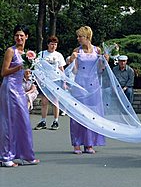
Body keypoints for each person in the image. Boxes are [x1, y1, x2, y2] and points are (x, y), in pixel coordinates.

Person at [0, 24, 40, 167]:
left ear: (27, 37)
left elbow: (23, 73)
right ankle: (6, 157)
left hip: (19, 88)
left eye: (22, 35)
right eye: (17, 35)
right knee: (8, 122)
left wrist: (26, 73)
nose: (19, 38)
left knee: (23, 120)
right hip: (9, 88)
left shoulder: (28, 53)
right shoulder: (11, 51)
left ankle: (26, 154)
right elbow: (3, 72)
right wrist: (19, 67)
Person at [67, 26, 106, 154]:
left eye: (80, 36)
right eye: (78, 36)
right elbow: (74, 70)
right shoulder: (77, 51)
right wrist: (72, 60)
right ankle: (77, 143)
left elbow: (100, 69)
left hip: (93, 85)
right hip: (80, 84)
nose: (78, 39)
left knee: (92, 114)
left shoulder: (97, 50)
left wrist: (104, 60)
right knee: (78, 114)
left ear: (87, 37)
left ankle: (89, 143)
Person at [34, 36, 66, 130]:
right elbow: (37, 66)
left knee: (55, 101)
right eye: (52, 44)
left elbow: (61, 69)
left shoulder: (58, 55)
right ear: (48, 44)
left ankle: (55, 121)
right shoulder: (42, 54)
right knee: (44, 102)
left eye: (55, 45)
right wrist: (38, 78)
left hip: (56, 80)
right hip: (45, 81)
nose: (53, 46)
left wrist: (64, 81)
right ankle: (43, 120)